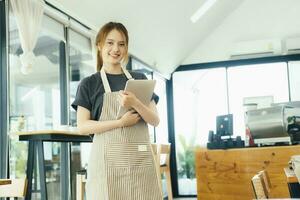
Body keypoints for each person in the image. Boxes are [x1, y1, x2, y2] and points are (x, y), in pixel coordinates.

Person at [71, 22, 163, 200]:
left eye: (121, 44)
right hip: (106, 165)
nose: (116, 49)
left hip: (139, 163)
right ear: (99, 46)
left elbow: (155, 120)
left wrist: (135, 102)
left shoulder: (140, 79)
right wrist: (120, 123)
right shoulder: (89, 84)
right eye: (110, 43)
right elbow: (82, 127)